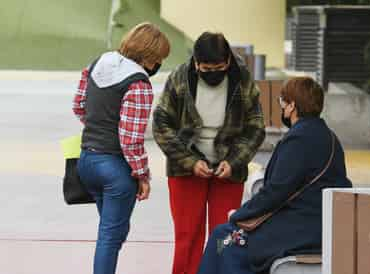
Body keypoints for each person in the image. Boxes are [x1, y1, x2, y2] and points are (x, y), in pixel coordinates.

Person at [197, 77, 353, 274]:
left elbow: (275, 192)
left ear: (292, 107)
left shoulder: (298, 139)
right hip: (322, 227)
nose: (282, 108)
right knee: (227, 238)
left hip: (299, 232)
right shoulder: (329, 137)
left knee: (224, 240)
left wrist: (238, 215)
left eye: (282, 102)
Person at [152, 32, 266, 274]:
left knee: (224, 235)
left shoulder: (243, 80)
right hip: (185, 168)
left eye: (219, 67)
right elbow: (161, 124)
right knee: (187, 235)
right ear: (196, 62)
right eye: (206, 68)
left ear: (228, 62)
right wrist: (190, 161)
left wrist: (234, 161)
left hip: (228, 170)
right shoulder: (179, 78)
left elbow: (255, 127)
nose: (213, 73)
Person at [72, 22, 170, 274]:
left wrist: (100, 128)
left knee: (113, 232)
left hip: (86, 162)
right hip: (115, 169)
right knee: (110, 238)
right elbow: (130, 139)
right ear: (149, 56)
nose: (159, 64)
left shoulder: (97, 64)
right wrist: (143, 176)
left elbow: (79, 105)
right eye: (159, 58)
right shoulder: (138, 83)